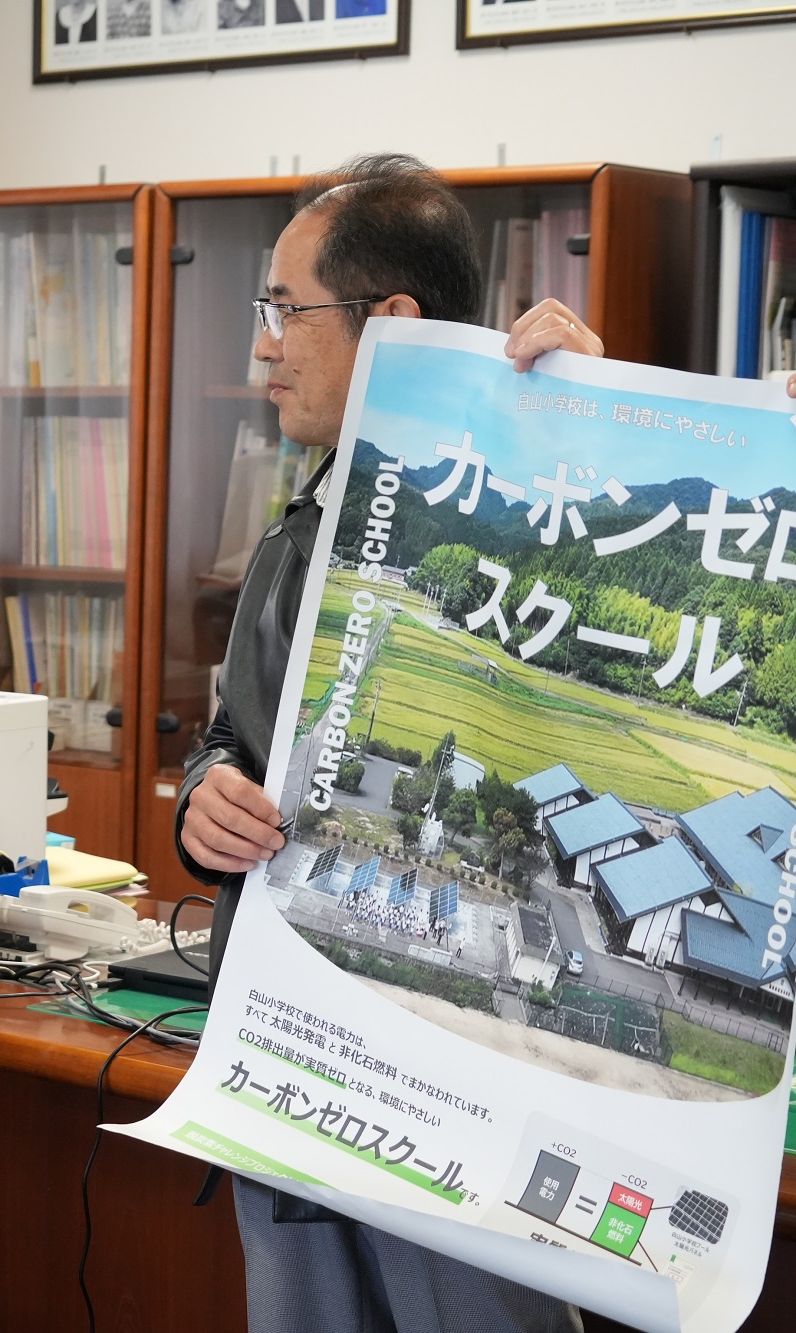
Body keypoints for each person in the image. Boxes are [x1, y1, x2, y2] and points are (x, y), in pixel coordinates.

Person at [174, 153, 605, 1333]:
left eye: (281, 310)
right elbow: (229, 737)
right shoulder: (307, 512)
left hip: (459, 1096)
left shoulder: (531, 509)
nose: (259, 347)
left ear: (389, 323)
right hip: (293, 1064)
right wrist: (203, 796)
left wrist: (587, 422)